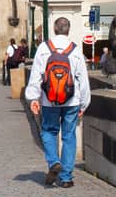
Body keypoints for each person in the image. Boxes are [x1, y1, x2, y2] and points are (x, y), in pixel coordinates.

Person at [25, 16, 91, 188]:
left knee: (48, 132)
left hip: (49, 101)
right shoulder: (76, 51)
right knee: (69, 136)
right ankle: (67, 177)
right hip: (72, 101)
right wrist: (84, 104)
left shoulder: (44, 48)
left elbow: (36, 75)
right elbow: (83, 80)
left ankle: (54, 161)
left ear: (54, 29)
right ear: (68, 30)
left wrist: (33, 98)